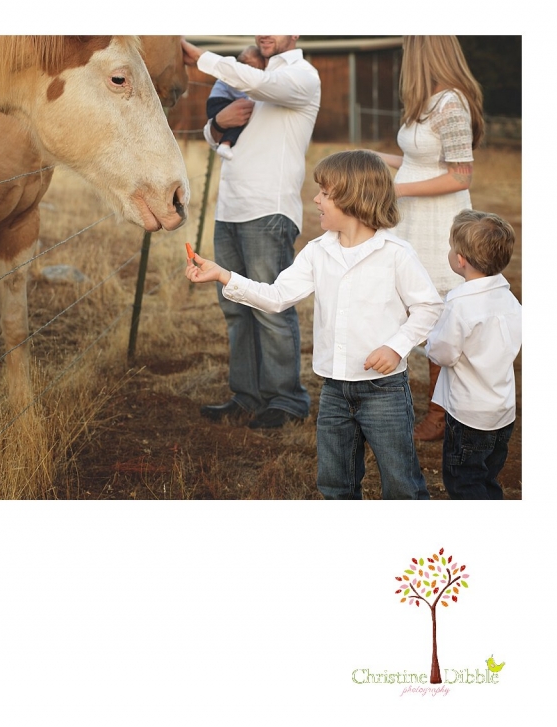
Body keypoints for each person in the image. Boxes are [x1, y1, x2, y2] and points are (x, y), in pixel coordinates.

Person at [185, 150, 443, 499]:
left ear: (354, 197)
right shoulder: (317, 252)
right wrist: (224, 275)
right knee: (335, 484)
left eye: (325, 192)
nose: (315, 199)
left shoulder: (397, 254)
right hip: (335, 391)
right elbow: (276, 297)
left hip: (384, 393)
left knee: (401, 484)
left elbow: (428, 306)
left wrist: (396, 346)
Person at [181, 35, 321, 429]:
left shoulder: (300, 77)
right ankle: (246, 396)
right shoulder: (252, 78)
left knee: (271, 309)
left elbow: (256, 84)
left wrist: (202, 58)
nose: (264, 31)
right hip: (230, 210)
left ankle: (286, 400)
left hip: (269, 211)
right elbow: (217, 138)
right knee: (236, 308)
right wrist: (217, 124)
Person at [374, 36, 485, 442]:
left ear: (423, 52)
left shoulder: (451, 103)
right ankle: (425, 406)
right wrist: (378, 160)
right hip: (413, 221)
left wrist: (398, 191)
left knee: (438, 319)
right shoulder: (426, 102)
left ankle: (441, 416)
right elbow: (421, 163)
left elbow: (461, 174)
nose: (406, 58)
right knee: (415, 311)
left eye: (409, 49)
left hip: (438, 223)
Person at [424, 210, 521, 500]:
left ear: (461, 259)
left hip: (469, 416)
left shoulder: (460, 304)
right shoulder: (509, 298)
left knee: (464, 481)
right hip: (502, 412)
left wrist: (429, 341)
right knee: (487, 475)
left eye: (452, 247)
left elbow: (443, 353)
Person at [206, 45, 265, 160]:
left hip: (217, 101)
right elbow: (240, 94)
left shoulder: (235, 71)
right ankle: (225, 144)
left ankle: (225, 144)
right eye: (252, 69)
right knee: (240, 116)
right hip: (219, 102)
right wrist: (252, 100)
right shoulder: (236, 75)